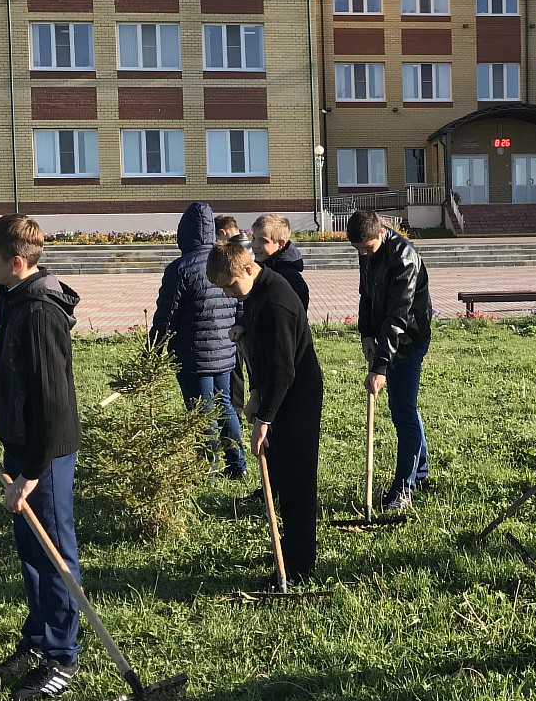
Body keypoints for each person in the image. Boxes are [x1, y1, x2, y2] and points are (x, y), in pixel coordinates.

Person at [0, 214, 85, 701]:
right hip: (19, 444)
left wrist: (32, 474)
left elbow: (52, 402)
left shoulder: (40, 314)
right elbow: (1, 364)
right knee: (32, 553)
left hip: (46, 451)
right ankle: (38, 639)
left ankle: (62, 657)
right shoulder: (9, 298)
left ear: (16, 262)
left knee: (53, 553)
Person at [208, 239, 325, 585]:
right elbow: (263, 352)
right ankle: (288, 548)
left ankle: (299, 567)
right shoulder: (255, 293)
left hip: (296, 398)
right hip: (274, 395)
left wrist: (264, 419)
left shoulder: (276, 299)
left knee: (297, 482)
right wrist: (256, 392)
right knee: (280, 478)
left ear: (248, 268)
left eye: (231, 286)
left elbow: (284, 369)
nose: (229, 295)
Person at [150, 202, 246, 480]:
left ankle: (209, 470)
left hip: (193, 355)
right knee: (225, 405)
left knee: (201, 412)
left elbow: (166, 314)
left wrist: (153, 348)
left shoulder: (180, 269)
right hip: (225, 351)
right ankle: (237, 465)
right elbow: (239, 304)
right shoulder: (223, 260)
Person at [349, 210, 433, 510]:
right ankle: (420, 472)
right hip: (385, 337)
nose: (363, 254)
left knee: (402, 411)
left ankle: (403, 489)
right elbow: (365, 294)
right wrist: (366, 334)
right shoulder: (367, 251)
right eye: (358, 249)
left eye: (366, 248)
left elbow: (399, 315)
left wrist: (381, 365)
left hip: (408, 340)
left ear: (381, 233)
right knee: (405, 408)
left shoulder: (404, 258)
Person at [251, 213, 310, 310]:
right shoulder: (262, 267)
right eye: (253, 238)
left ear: (281, 243)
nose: (255, 245)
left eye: (263, 241)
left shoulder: (289, 278)